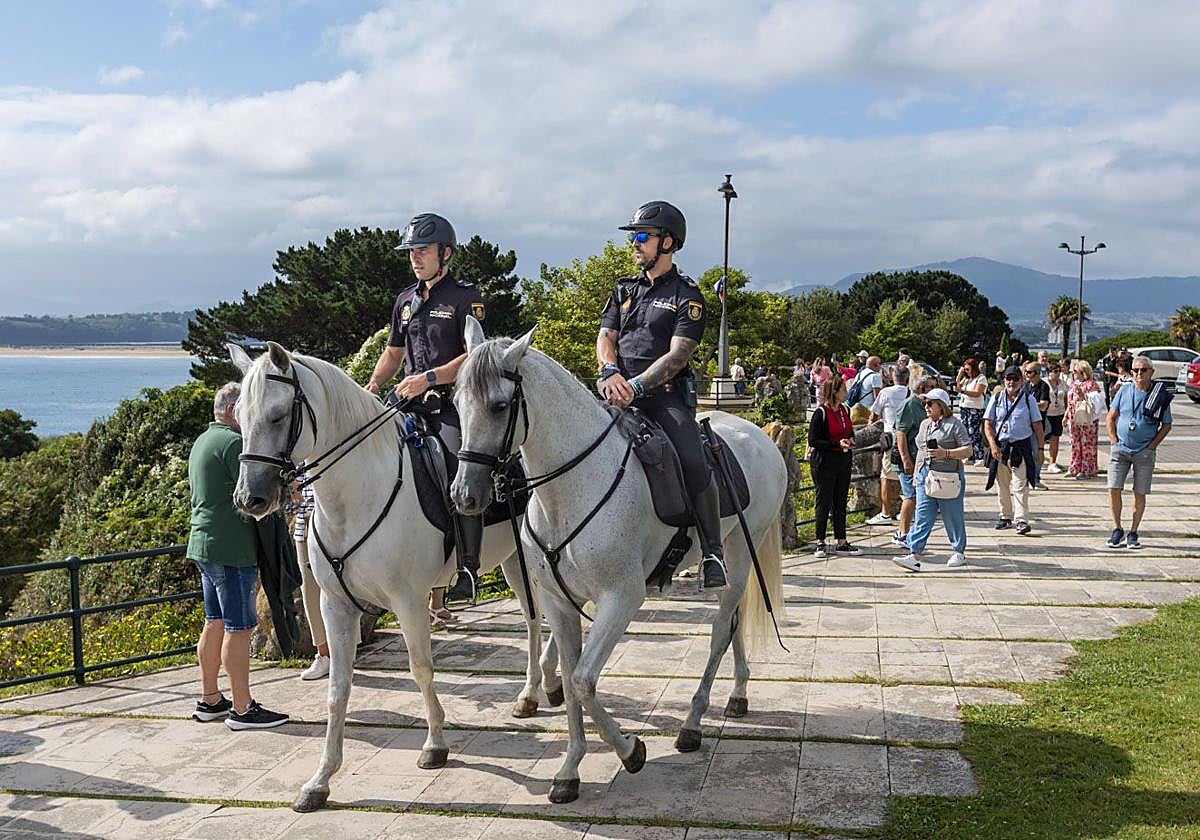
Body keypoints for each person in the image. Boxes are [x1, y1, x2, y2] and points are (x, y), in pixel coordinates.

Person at [597, 200, 726, 589]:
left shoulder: (688, 295)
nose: (634, 244)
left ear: (667, 242)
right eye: (633, 237)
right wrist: (610, 370)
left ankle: (713, 552)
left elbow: (678, 354)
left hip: (663, 398)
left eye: (641, 237)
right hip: (614, 390)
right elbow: (606, 336)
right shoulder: (623, 288)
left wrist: (636, 386)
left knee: (692, 460)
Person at [366, 213, 485, 603]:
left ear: (445, 253)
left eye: (422, 251)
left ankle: (468, 567)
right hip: (407, 403)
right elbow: (393, 352)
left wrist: (428, 378)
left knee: (458, 468)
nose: (415, 258)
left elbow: (474, 356)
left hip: (449, 405)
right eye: (411, 252)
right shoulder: (405, 300)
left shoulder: (466, 297)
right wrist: (372, 386)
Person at [189, 383, 289, 730]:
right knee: (239, 628)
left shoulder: (203, 440)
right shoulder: (234, 444)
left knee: (214, 622)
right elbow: (253, 494)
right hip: (232, 548)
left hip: (204, 544)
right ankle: (243, 709)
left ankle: (210, 699)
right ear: (233, 411)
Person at [892, 388, 971, 572]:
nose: (926, 407)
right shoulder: (925, 424)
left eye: (930, 404)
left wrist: (946, 453)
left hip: (949, 477)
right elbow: (921, 450)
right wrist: (917, 474)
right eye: (925, 403)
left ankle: (959, 550)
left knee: (953, 516)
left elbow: (968, 450)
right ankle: (914, 554)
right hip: (926, 477)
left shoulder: (955, 425)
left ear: (941, 406)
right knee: (922, 515)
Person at [1105, 356, 1173, 549]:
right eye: (1135, 370)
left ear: (1151, 372)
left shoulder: (1158, 395)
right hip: (1121, 449)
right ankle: (1117, 528)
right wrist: (1113, 440)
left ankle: (1133, 532)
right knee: (1113, 488)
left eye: (1143, 370)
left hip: (1144, 452)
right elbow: (1111, 417)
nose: (1138, 374)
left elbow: (1167, 425)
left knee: (1139, 492)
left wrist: (1152, 446)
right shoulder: (1124, 391)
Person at [983, 366, 1044, 535]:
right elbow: (988, 423)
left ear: (1021, 381)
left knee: (1020, 484)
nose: (1011, 382)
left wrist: (1040, 448)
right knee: (1002, 484)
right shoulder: (996, 398)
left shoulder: (1028, 399)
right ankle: (1005, 516)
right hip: (1001, 447)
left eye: (1015, 379)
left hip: (1021, 447)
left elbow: (1037, 425)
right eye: (1008, 379)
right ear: (1004, 381)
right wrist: (993, 445)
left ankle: (1022, 519)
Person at [807, 377, 861, 558]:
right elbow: (813, 440)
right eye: (843, 390)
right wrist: (835, 443)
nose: (846, 393)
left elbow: (850, 431)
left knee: (840, 502)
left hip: (843, 461)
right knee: (824, 502)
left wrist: (851, 439)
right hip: (824, 463)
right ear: (835, 392)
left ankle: (841, 540)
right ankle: (820, 541)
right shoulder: (821, 412)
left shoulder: (845, 409)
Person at [291, 476, 331, 680]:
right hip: (304, 527)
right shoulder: (293, 455)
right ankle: (323, 655)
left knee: (340, 591)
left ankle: (345, 654)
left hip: (333, 528)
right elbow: (293, 500)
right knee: (311, 593)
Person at [892, 375, 935, 547]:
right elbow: (900, 434)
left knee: (916, 496)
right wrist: (906, 460)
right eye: (932, 386)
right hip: (907, 458)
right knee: (910, 495)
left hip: (919, 458)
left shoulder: (925, 405)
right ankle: (902, 533)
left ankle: (910, 532)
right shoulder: (909, 405)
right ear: (923, 389)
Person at [867, 365, 910, 527]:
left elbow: (874, 413)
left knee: (886, 476)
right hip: (908, 440)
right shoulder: (911, 393)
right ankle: (907, 511)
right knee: (908, 475)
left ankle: (885, 513)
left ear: (893, 377)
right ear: (907, 378)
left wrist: (871, 424)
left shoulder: (886, 392)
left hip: (891, 438)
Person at [1066, 359, 1102, 479]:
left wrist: (1083, 395)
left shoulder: (1091, 385)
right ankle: (1075, 466)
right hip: (1074, 417)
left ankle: (1087, 469)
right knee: (1075, 443)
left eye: (1076, 371)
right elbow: (1070, 401)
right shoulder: (1073, 383)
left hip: (1086, 418)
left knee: (1087, 444)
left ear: (1083, 372)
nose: (1074, 373)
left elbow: (1096, 402)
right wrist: (1066, 415)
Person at [1023, 362, 1052, 489]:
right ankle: (1026, 477)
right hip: (1025, 424)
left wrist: (1029, 404)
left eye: (1029, 372)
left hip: (1038, 425)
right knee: (1025, 453)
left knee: (1037, 452)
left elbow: (1044, 405)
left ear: (1037, 373)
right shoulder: (1025, 386)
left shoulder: (1044, 387)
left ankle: (1036, 478)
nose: (1026, 374)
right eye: (1026, 371)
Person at [955, 358, 989, 465]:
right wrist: (960, 375)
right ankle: (970, 456)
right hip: (965, 407)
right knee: (966, 432)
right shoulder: (967, 379)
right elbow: (957, 386)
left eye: (967, 369)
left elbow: (977, 393)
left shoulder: (981, 378)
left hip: (975, 408)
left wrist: (963, 391)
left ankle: (979, 456)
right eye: (965, 369)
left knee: (974, 432)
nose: (966, 371)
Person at [1043, 363, 1069, 473]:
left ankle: (1052, 462)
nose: (1058, 373)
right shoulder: (1044, 383)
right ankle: (1039, 459)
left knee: (1055, 438)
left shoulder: (1062, 383)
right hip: (1046, 413)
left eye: (1059, 371)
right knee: (1043, 438)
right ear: (1050, 372)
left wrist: (1067, 414)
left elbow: (1066, 398)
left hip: (1059, 413)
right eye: (1055, 371)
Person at [847, 355, 883, 425]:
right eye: (880, 364)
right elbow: (877, 398)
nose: (881, 366)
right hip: (867, 411)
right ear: (876, 365)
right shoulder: (876, 376)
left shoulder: (859, 374)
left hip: (855, 409)